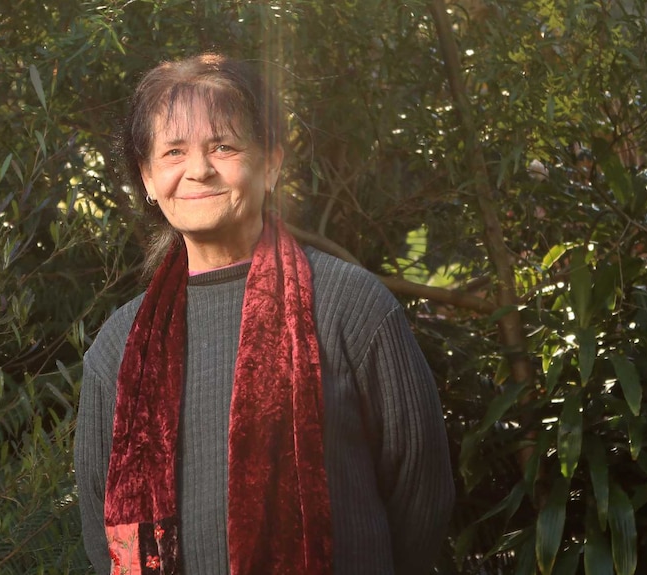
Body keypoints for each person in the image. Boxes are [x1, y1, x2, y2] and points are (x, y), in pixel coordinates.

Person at [74, 53, 455, 575]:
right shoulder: (119, 347)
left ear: (270, 163)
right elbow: (103, 536)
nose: (199, 169)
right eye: (173, 152)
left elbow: (422, 498)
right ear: (146, 177)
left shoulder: (353, 308)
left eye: (223, 146)